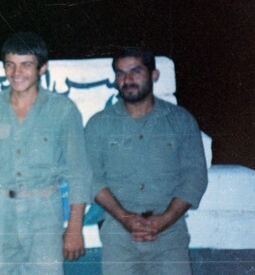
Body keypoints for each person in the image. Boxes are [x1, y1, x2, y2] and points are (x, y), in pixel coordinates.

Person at [0, 32, 91, 275]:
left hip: (45, 211)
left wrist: (75, 228)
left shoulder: (63, 110)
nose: (16, 72)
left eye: (26, 65)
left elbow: (79, 173)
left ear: (42, 68)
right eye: (10, 65)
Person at [85, 47, 208, 275]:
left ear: (154, 75)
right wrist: (125, 218)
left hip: (170, 235)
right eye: (121, 73)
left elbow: (195, 176)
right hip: (118, 237)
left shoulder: (180, 121)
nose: (127, 80)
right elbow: (92, 179)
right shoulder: (99, 124)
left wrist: (166, 219)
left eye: (136, 71)